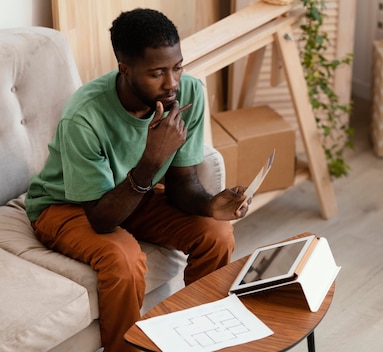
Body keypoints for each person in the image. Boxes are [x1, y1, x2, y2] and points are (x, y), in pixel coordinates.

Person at [25, 8, 249, 352]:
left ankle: (199, 335)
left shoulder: (187, 94)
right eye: (157, 73)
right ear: (125, 69)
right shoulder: (83, 116)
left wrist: (210, 204)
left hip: (132, 196)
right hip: (67, 205)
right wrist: (152, 158)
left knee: (216, 234)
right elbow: (101, 219)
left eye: (177, 67)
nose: (172, 83)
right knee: (124, 259)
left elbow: (181, 185)